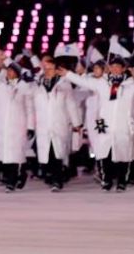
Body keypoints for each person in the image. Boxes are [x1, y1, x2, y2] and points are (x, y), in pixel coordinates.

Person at [58, 55, 134, 192]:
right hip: (103, 123)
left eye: (119, 66)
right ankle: (106, 180)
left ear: (123, 69)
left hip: (123, 124)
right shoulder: (102, 83)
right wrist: (68, 74)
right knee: (103, 153)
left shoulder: (130, 85)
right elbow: (84, 82)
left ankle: (122, 181)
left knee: (123, 155)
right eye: (113, 66)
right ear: (109, 68)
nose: (115, 69)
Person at [0, 54, 35, 193]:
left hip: (17, 126)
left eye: (12, 71)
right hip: (3, 127)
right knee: (5, 155)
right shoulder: (0, 87)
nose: (9, 73)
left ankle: (13, 180)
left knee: (16, 154)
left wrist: (30, 126)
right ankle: (14, 178)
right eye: (8, 71)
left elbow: (29, 108)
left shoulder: (24, 87)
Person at [31, 56, 83, 192]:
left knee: (57, 153)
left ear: (56, 69)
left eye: (50, 68)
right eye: (45, 68)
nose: (47, 70)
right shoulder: (37, 85)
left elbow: (71, 104)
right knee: (46, 154)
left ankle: (57, 179)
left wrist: (77, 123)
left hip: (59, 123)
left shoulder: (63, 85)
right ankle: (51, 175)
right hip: (43, 125)